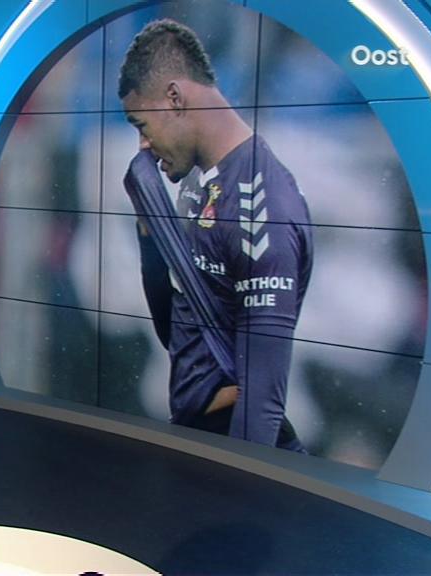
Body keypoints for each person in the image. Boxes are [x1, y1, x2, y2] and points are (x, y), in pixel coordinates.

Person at [118, 18, 312, 452]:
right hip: (197, 438)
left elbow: (261, 402)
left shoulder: (262, 207)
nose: (143, 145)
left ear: (174, 98)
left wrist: (233, 488)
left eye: (141, 125)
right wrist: (150, 229)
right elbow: (177, 329)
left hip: (236, 451)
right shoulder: (199, 180)